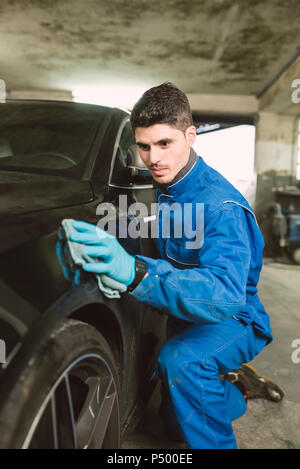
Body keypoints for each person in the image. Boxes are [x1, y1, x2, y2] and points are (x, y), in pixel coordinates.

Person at [68, 82, 282, 449]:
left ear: (191, 135)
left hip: (234, 318)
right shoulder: (168, 189)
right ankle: (235, 386)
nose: (153, 158)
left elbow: (225, 295)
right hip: (190, 314)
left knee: (181, 363)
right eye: (145, 146)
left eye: (165, 144)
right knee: (173, 421)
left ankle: (221, 377)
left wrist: (137, 274)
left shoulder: (221, 207)